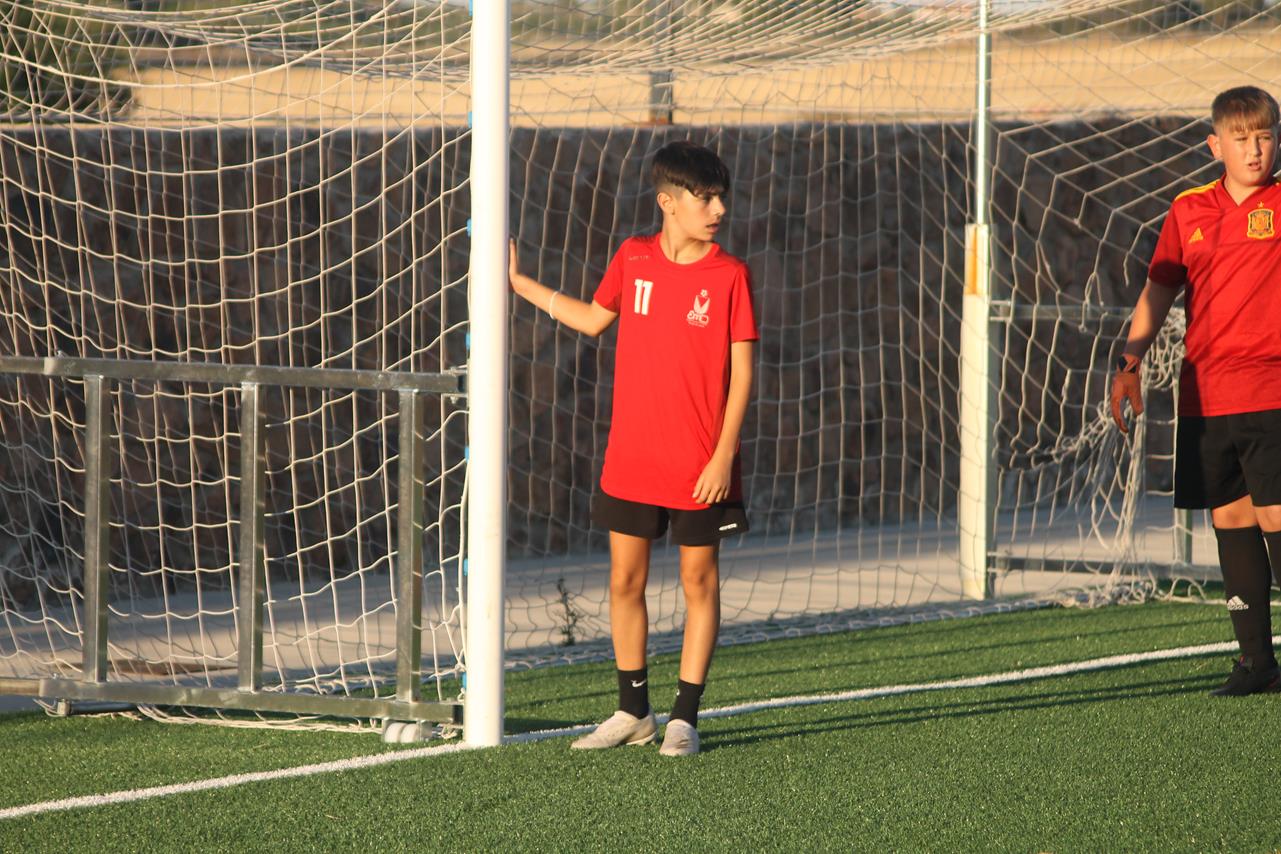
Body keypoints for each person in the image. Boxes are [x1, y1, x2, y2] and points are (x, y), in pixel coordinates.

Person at [508, 140, 758, 754]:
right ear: (668, 202)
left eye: (721, 197)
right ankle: (633, 711)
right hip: (633, 457)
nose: (719, 209)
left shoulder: (730, 275)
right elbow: (594, 319)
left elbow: (743, 374)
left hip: (701, 463)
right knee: (624, 581)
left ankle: (685, 719)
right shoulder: (633, 257)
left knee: (699, 582)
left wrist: (723, 456)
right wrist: (520, 285)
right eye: (706, 198)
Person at [1111, 85, 1281, 695]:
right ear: (1215, 146)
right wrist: (1129, 362)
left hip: (1273, 390)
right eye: (1241, 138)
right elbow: (1159, 288)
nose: (1255, 149)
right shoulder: (1188, 210)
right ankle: (1257, 664)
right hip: (1206, 394)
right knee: (1231, 519)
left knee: (1278, 517)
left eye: (1265, 136)